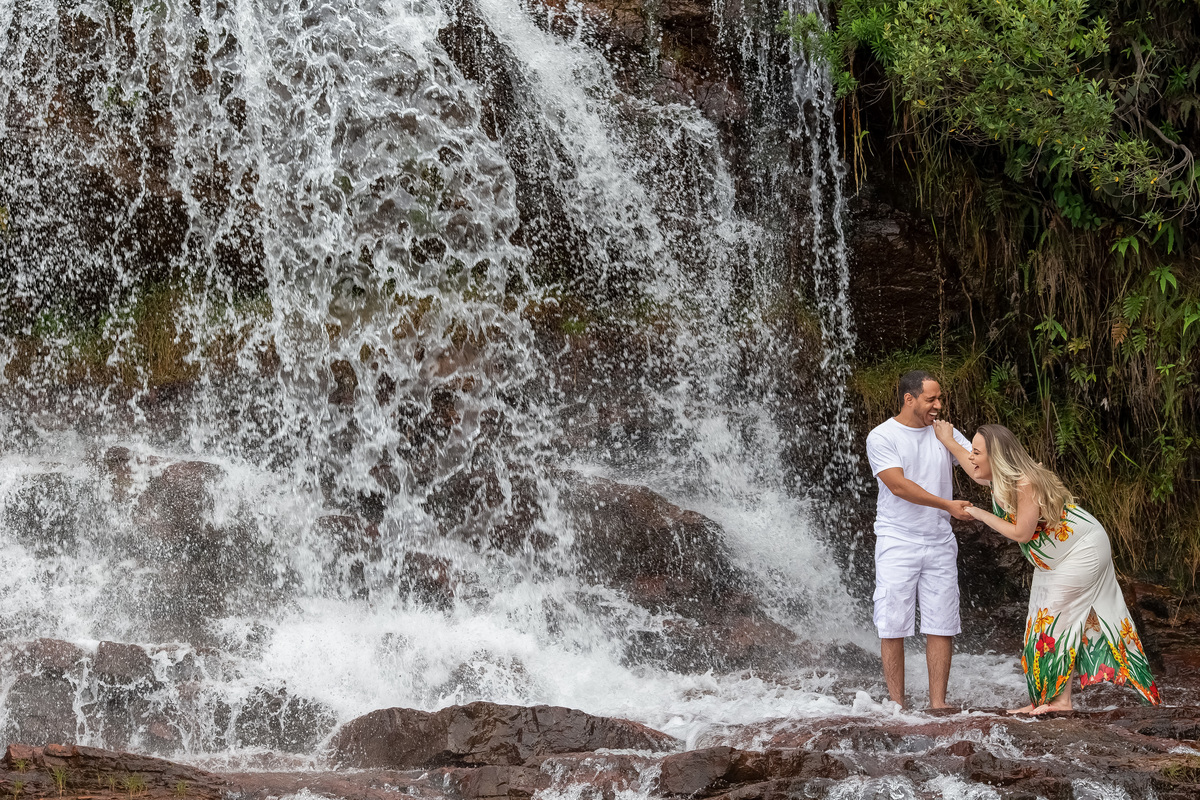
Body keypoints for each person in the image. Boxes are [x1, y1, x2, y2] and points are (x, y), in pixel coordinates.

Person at [934, 421, 1161, 714]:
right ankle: (1044, 699)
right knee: (1038, 628)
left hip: (1082, 551)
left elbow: (1021, 534)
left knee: (1053, 623)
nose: (972, 457)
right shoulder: (1000, 478)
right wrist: (948, 440)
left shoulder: (1025, 482)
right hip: (1054, 559)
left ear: (998, 457)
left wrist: (978, 512)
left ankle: (1061, 702)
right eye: (973, 452)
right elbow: (972, 465)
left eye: (978, 452)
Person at [866, 370, 974, 709]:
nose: (938, 405)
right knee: (893, 623)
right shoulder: (882, 436)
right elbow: (898, 485)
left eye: (939, 398)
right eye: (931, 399)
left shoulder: (945, 433)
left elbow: (978, 470)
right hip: (897, 539)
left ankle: (937, 705)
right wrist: (947, 505)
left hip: (939, 540)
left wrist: (950, 440)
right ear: (909, 399)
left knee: (941, 621)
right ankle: (898, 705)